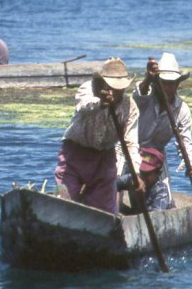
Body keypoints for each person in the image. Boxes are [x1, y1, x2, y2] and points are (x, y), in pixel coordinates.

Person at [54, 57, 142, 215]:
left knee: (104, 213)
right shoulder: (87, 89)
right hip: (74, 155)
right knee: (63, 204)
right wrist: (101, 103)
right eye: (112, 87)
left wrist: (135, 173)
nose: (115, 92)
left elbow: (130, 144)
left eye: (120, 89)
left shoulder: (130, 107)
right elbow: (83, 105)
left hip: (104, 159)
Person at [132, 53, 192, 201]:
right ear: (156, 83)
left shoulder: (182, 109)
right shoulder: (145, 97)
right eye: (164, 83)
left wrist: (190, 165)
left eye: (172, 84)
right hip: (131, 151)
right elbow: (138, 94)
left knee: (165, 198)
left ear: (178, 84)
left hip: (156, 159)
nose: (168, 88)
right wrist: (148, 78)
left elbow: (185, 141)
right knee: (119, 190)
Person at [117, 147, 175, 212]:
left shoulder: (161, 189)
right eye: (142, 172)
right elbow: (112, 185)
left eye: (147, 174)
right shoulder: (132, 179)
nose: (143, 176)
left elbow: (156, 217)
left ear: (158, 173)